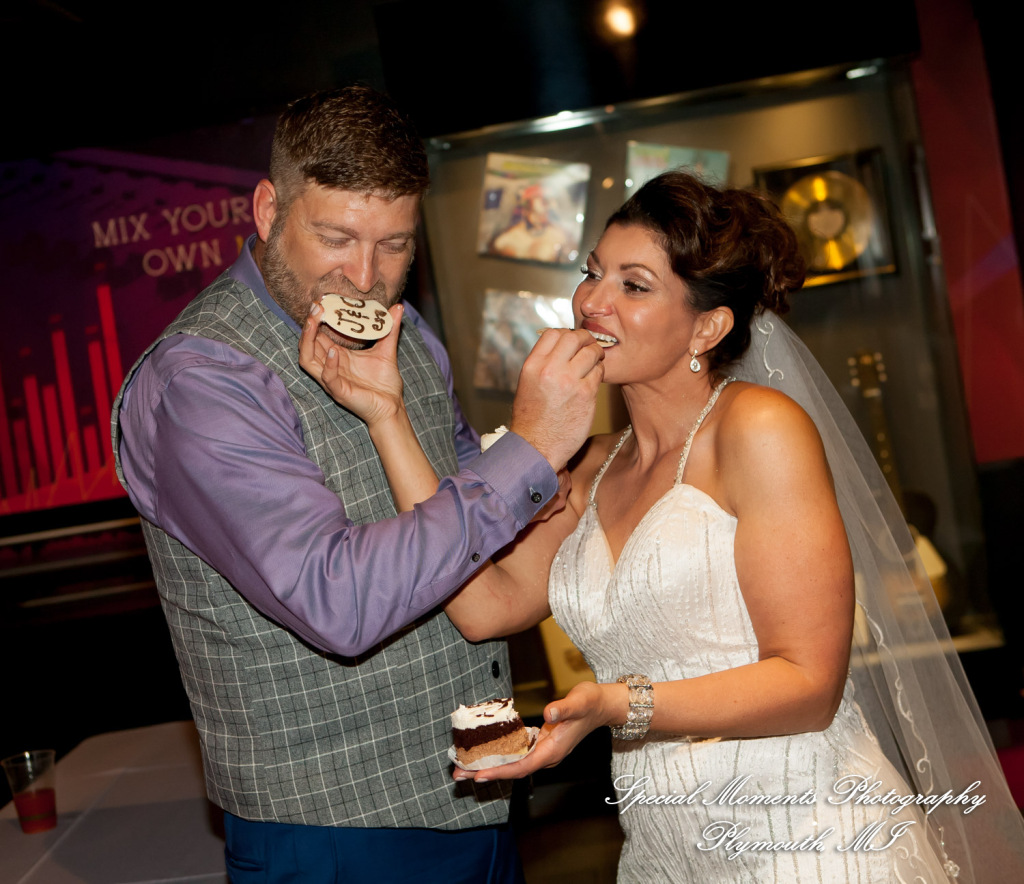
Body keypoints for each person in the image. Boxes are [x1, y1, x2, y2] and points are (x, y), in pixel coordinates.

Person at [302, 171, 1024, 882]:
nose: (592, 302)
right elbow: (482, 606)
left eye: (633, 285)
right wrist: (386, 415)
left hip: (808, 839)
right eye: (594, 274)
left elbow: (810, 683)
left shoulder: (757, 429)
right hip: (665, 850)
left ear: (707, 325)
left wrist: (616, 705)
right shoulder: (585, 472)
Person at [111, 85, 605, 883]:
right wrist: (535, 450)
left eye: (396, 246)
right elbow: (334, 601)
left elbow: (463, 522)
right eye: (336, 237)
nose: (367, 278)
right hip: (333, 832)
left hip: (476, 794)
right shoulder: (200, 381)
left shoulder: (411, 338)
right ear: (269, 210)